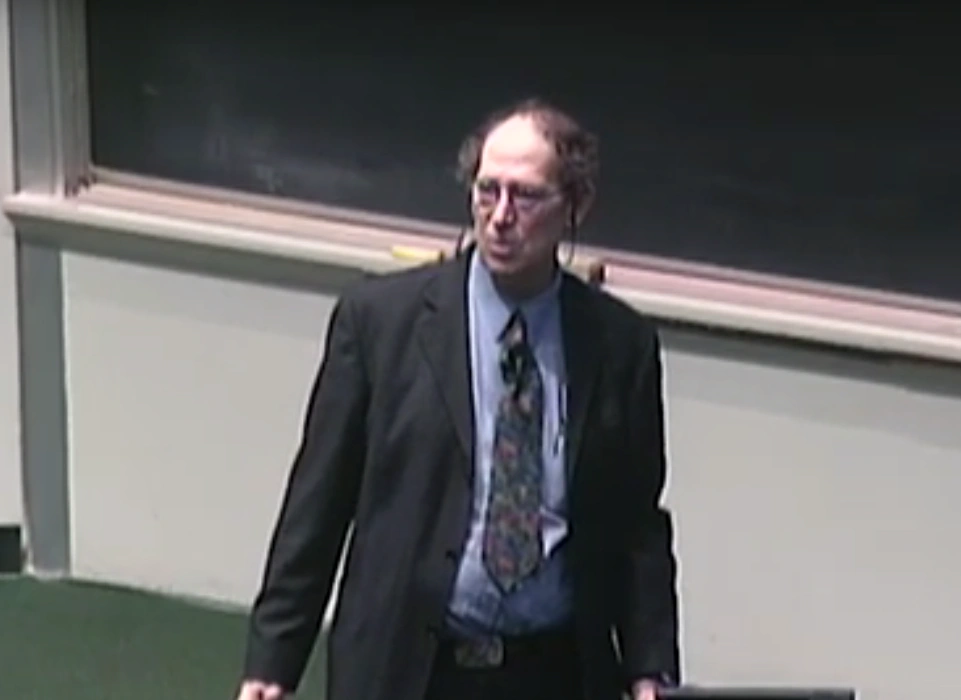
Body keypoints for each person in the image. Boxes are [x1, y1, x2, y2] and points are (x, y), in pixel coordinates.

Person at [236, 98, 680, 700]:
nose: (500, 216)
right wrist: (273, 666)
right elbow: (318, 504)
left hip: (554, 670)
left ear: (575, 205)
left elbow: (638, 527)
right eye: (487, 190)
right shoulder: (381, 323)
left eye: (526, 197)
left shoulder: (619, 345)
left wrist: (650, 670)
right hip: (410, 668)